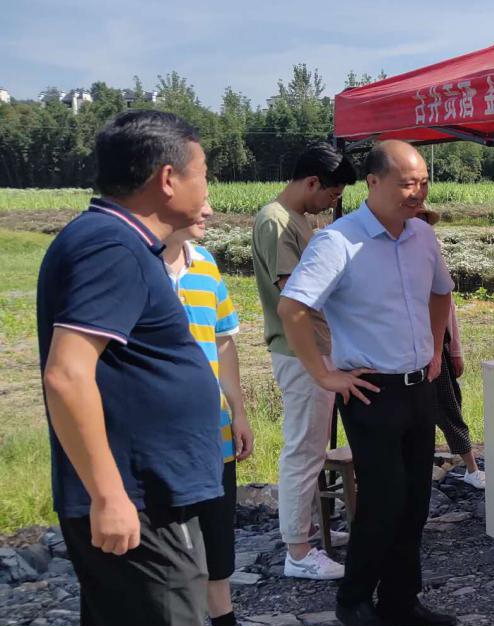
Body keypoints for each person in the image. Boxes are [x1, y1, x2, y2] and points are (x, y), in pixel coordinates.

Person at [36, 109, 220, 624]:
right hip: (141, 499)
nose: (207, 189)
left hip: (147, 494)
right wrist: (109, 495)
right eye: (203, 174)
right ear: (168, 178)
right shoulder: (109, 245)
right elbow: (67, 375)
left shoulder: (118, 242)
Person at [279, 140, 456, 626]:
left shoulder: (422, 237)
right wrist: (323, 373)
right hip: (371, 389)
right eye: (407, 183)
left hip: (419, 386)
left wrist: (435, 349)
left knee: (415, 501)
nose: (417, 193)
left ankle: (401, 600)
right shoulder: (339, 241)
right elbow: (293, 308)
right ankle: (354, 601)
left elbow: (441, 294)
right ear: (373, 182)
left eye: (423, 183)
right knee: (382, 503)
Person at [252, 143, 356, 580]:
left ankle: (308, 532)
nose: (331, 203)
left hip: (313, 348)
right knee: (304, 449)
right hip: (300, 352)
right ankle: (298, 551)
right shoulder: (276, 221)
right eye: (331, 194)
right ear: (312, 182)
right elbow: (295, 292)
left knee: (310, 445)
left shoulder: (297, 219)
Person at [162, 201, 253, 626]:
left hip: (213, 435)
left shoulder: (206, 264)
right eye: (199, 199)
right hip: (161, 442)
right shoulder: (136, 269)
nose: (210, 210)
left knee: (217, 543)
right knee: (170, 552)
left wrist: (239, 412)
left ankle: (224, 618)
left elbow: (223, 342)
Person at [416, 208, 485, 490]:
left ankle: (471, 467)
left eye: (423, 222)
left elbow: (448, 307)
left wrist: (454, 350)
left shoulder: (431, 256)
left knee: (448, 406)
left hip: (434, 347)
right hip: (402, 348)